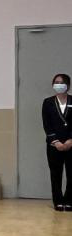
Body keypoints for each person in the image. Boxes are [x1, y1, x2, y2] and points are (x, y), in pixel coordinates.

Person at [43, 73, 72, 210]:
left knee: (71, 174)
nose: (58, 85)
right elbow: (47, 124)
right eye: (56, 82)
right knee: (56, 174)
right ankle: (58, 201)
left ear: (68, 85)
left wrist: (70, 140)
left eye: (61, 82)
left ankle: (69, 200)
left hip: (71, 144)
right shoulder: (48, 102)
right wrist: (56, 142)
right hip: (54, 145)